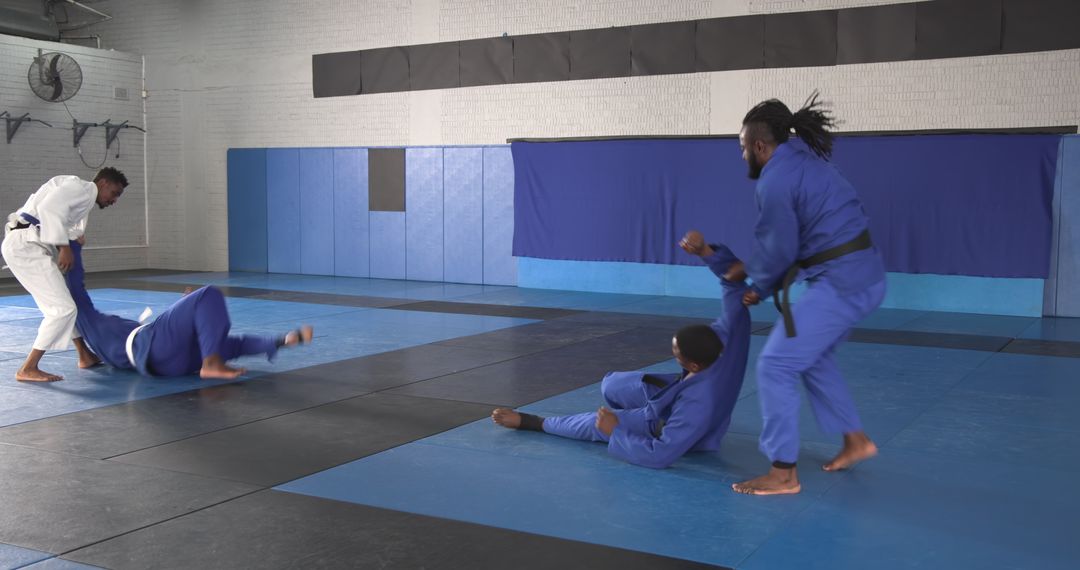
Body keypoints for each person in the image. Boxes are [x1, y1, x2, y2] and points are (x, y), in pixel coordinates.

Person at [731, 93, 887, 496]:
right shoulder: (805, 162)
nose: (743, 155)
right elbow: (798, 238)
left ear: (760, 147)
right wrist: (756, 271)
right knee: (811, 357)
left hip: (843, 283)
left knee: (776, 365)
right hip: (862, 275)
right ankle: (856, 440)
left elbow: (779, 247)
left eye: (743, 147)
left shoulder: (777, 179)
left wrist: (758, 288)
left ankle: (783, 472)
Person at [491, 230, 751, 469]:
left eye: (677, 355)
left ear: (693, 365)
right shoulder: (725, 340)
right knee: (613, 385)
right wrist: (705, 250)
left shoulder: (697, 405)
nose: (674, 356)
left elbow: (660, 455)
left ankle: (535, 423)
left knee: (596, 424)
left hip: (675, 425)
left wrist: (615, 429)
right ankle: (633, 417)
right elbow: (734, 284)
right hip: (680, 397)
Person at [63, 239, 313, 379]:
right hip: (158, 348)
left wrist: (183, 306)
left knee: (223, 344)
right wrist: (72, 247)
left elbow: (76, 302)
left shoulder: (100, 338)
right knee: (208, 295)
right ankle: (213, 363)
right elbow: (76, 291)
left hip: (169, 363)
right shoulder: (94, 325)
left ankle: (280, 340)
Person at [1, 168, 127, 382]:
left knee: (64, 305)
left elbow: (55, 215)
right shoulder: (80, 187)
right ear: (103, 183)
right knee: (63, 310)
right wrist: (64, 247)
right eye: (114, 193)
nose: (114, 200)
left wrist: (74, 235)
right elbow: (50, 208)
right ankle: (28, 368)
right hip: (26, 246)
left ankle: (84, 355)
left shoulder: (81, 194)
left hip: (27, 243)